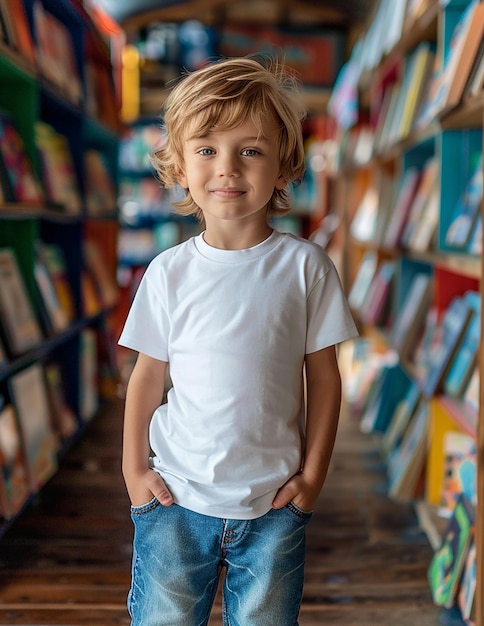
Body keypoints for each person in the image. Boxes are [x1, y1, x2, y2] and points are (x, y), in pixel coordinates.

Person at [118, 56, 358, 625]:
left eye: (250, 150)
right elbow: (147, 378)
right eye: (206, 150)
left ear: (283, 166)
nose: (227, 168)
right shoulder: (167, 272)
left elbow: (324, 379)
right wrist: (134, 472)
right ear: (179, 167)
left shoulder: (307, 267)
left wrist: (313, 477)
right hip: (174, 500)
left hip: (275, 502)